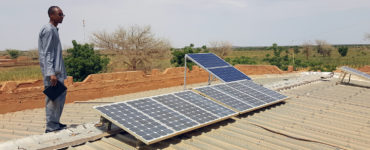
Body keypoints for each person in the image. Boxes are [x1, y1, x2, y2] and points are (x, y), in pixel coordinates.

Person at [38, 6, 67, 133]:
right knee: (53, 99)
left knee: (59, 97)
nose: (62, 17)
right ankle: (51, 127)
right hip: (53, 73)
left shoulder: (54, 29)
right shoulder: (49, 30)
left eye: (62, 14)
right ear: (51, 15)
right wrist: (51, 73)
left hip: (57, 72)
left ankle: (55, 123)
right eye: (60, 14)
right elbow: (47, 52)